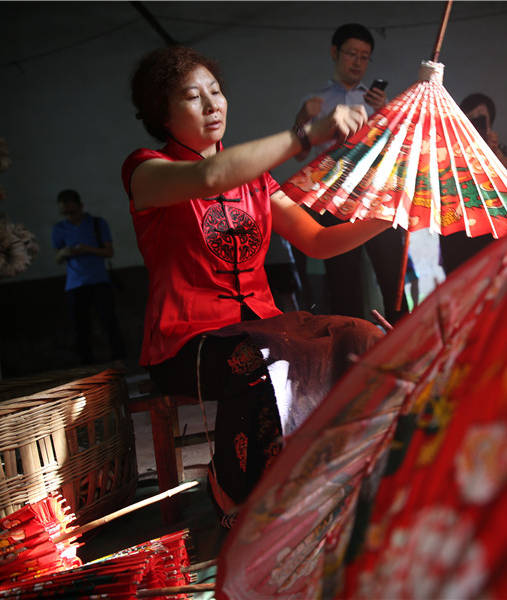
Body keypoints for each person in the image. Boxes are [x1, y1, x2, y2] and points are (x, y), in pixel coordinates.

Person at [122, 45, 392, 526]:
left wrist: (389, 212)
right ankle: (238, 499)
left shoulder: (257, 181)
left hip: (266, 330)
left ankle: (325, 486)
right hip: (188, 345)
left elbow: (319, 241)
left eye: (217, 91)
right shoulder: (145, 170)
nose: (212, 105)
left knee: (364, 340)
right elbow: (209, 175)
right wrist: (307, 135)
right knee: (264, 362)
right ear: (161, 114)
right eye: (192, 96)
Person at [292, 23, 410, 326]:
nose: (358, 62)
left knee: (393, 278)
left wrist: (386, 113)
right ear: (335, 52)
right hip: (334, 201)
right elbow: (300, 154)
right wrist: (303, 119)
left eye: (364, 56)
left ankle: (405, 349)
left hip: (375, 197)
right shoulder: (314, 101)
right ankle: (350, 356)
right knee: (342, 284)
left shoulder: (376, 101)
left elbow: (396, 150)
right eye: (352, 54)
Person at [439, 93, 507, 276]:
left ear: (490, 122)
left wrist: (494, 151)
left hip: (489, 223)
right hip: (457, 224)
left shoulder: (497, 148)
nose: (476, 121)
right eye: (471, 117)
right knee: (456, 275)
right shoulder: (452, 146)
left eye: (482, 118)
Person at [52, 189, 127, 365]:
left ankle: (120, 360)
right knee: (81, 329)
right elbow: (57, 258)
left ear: (81, 206)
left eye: (73, 211)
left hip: (99, 280)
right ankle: (88, 365)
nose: (70, 216)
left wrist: (86, 249)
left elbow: (109, 251)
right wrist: (64, 252)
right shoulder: (59, 229)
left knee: (109, 324)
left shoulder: (96, 224)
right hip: (74, 284)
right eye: (65, 213)